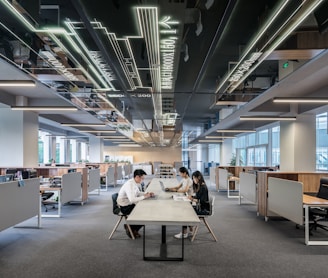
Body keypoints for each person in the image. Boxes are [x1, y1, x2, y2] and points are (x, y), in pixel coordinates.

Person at [117, 169, 154, 238]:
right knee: (145, 214)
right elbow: (132, 200)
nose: (143, 180)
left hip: (129, 203)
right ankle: (131, 229)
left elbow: (137, 193)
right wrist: (144, 196)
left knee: (146, 211)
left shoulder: (134, 182)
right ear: (137, 177)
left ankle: (131, 227)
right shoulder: (129, 184)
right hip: (125, 206)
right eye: (142, 178)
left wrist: (146, 194)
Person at [174, 170, 209, 239]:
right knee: (186, 210)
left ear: (198, 177)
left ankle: (184, 233)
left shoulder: (203, 187)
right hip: (200, 207)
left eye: (194, 178)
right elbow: (198, 197)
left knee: (185, 212)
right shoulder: (200, 186)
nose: (193, 180)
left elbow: (202, 201)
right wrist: (191, 197)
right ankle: (191, 230)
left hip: (203, 209)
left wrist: (192, 199)